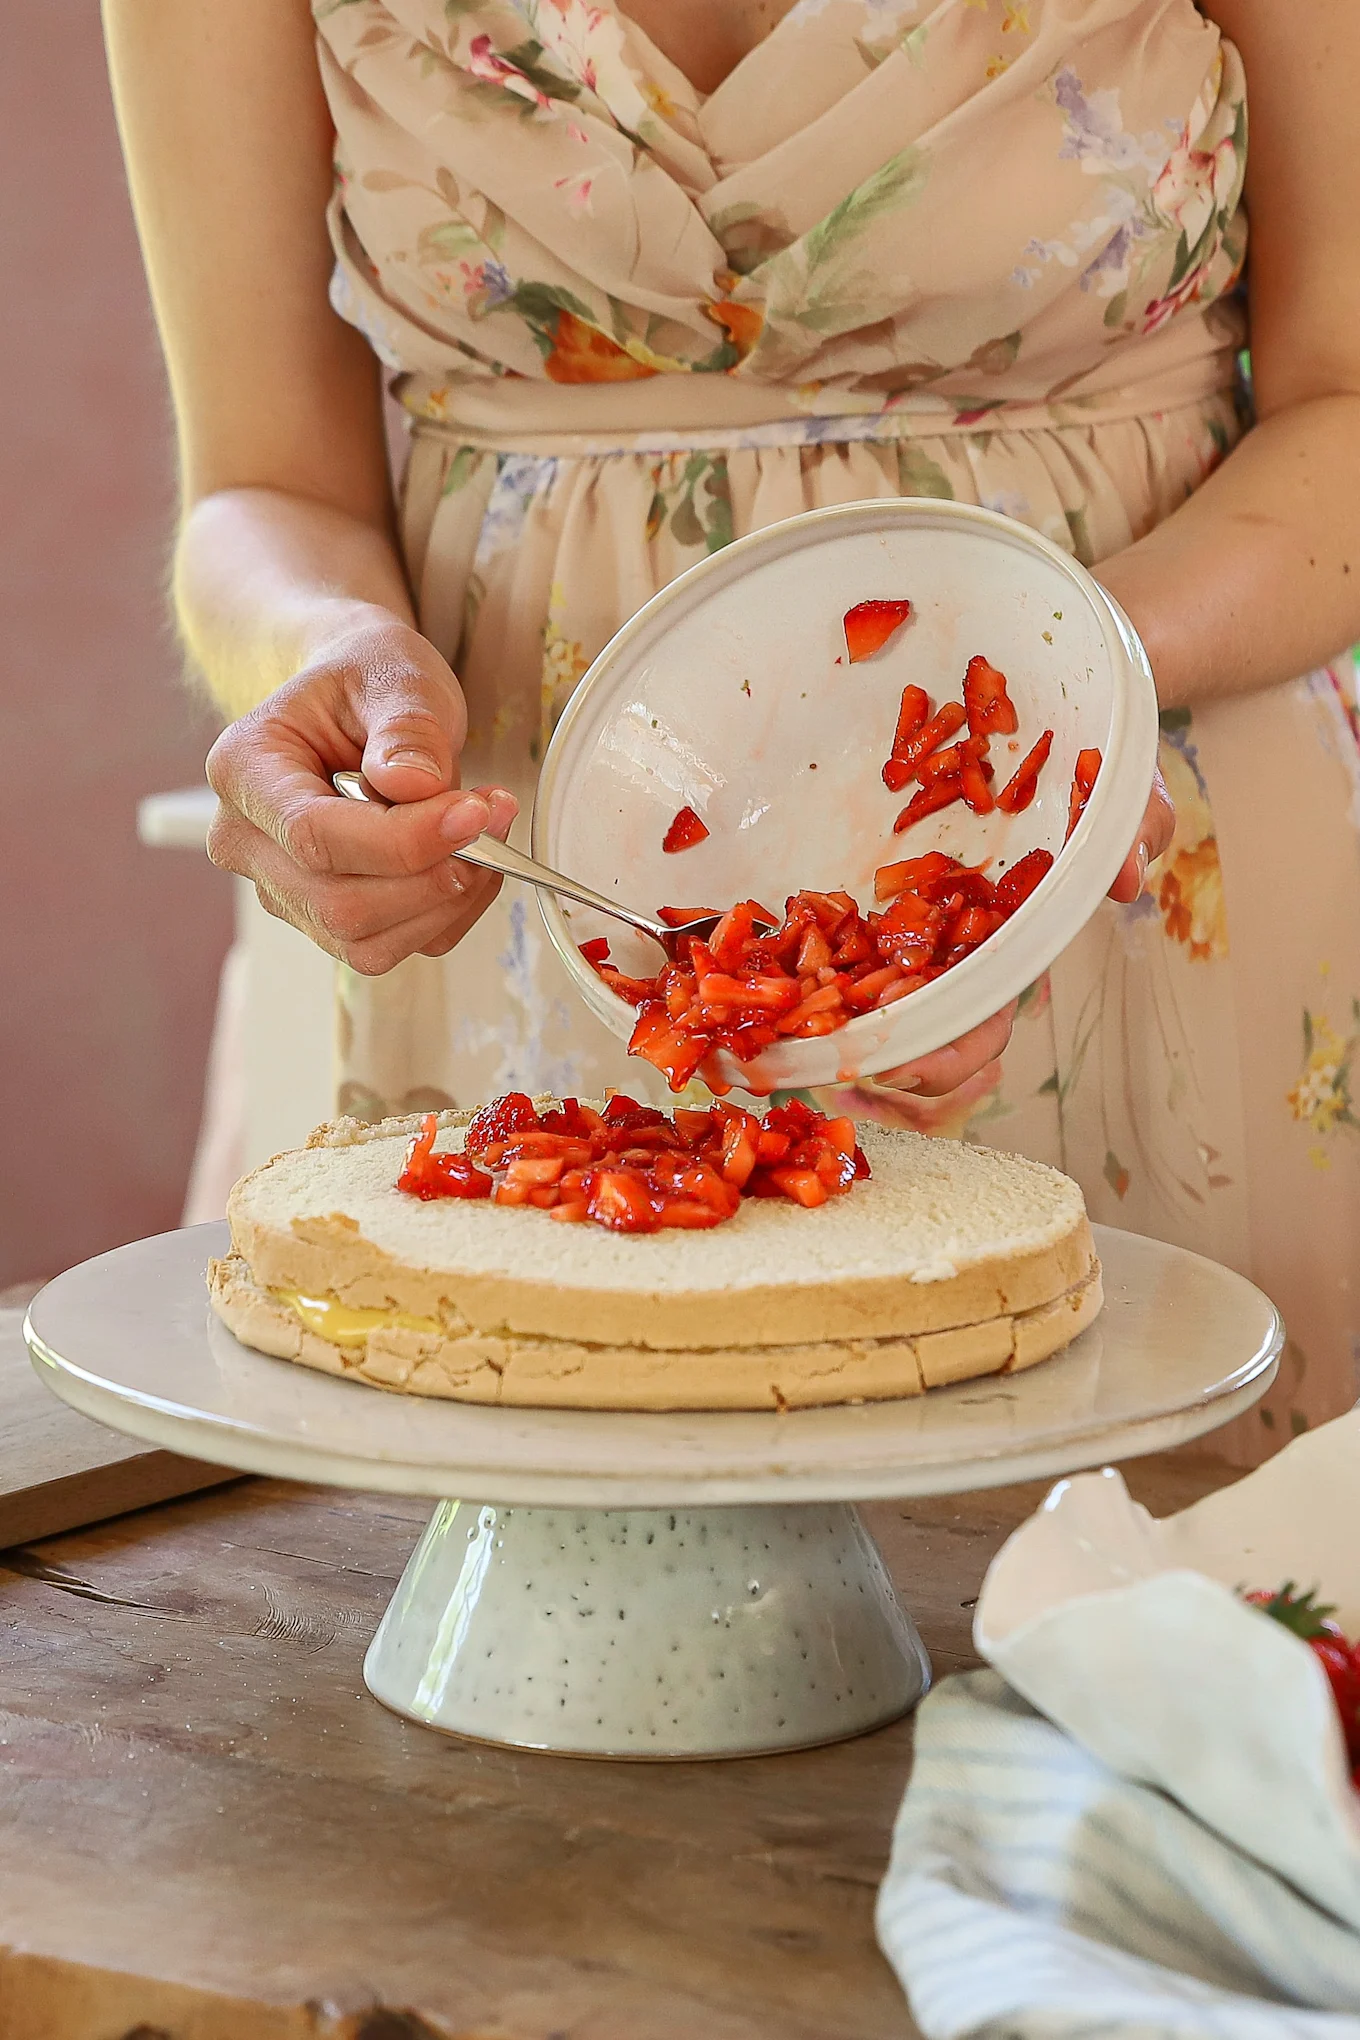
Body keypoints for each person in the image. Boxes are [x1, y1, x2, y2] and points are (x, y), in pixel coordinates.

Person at [105, 0, 1360, 1458]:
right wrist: (331, 651)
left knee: (1173, 1636)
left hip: (1131, 848)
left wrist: (1074, 681)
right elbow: (261, 485)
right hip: (540, 926)